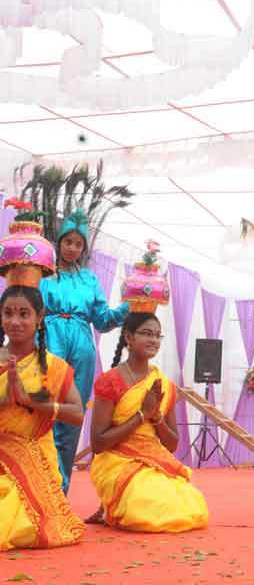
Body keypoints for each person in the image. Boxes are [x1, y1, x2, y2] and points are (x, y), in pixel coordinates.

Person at [87, 312, 209, 532]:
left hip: (154, 461)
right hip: (117, 460)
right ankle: (110, 506)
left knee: (190, 508)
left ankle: (110, 509)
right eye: (146, 333)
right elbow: (97, 443)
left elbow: (172, 445)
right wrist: (141, 416)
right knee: (144, 509)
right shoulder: (110, 381)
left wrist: (156, 418)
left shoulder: (164, 384)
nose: (153, 340)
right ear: (129, 337)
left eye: (157, 335)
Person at [41, 210, 129, 493]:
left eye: (78, 244)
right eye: (68, 241)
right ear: (59, 242)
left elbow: (102, 320)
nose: (72, 248)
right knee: (45, 413)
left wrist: (129, 306)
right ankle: (39, 486)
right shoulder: (43, 273)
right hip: (49, 342)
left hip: (82, 346)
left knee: (72, 416)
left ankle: (61, 490)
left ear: (83, 248)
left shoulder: (90, 280)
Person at [0, 285, 85, 550]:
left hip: (33, 458)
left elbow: (77, 415)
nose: (15, 321)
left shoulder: (55, 367)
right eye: (8, 313)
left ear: (39, 317)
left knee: (19, 521)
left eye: (24, 314)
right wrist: (5, 401)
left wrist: (32, 402)